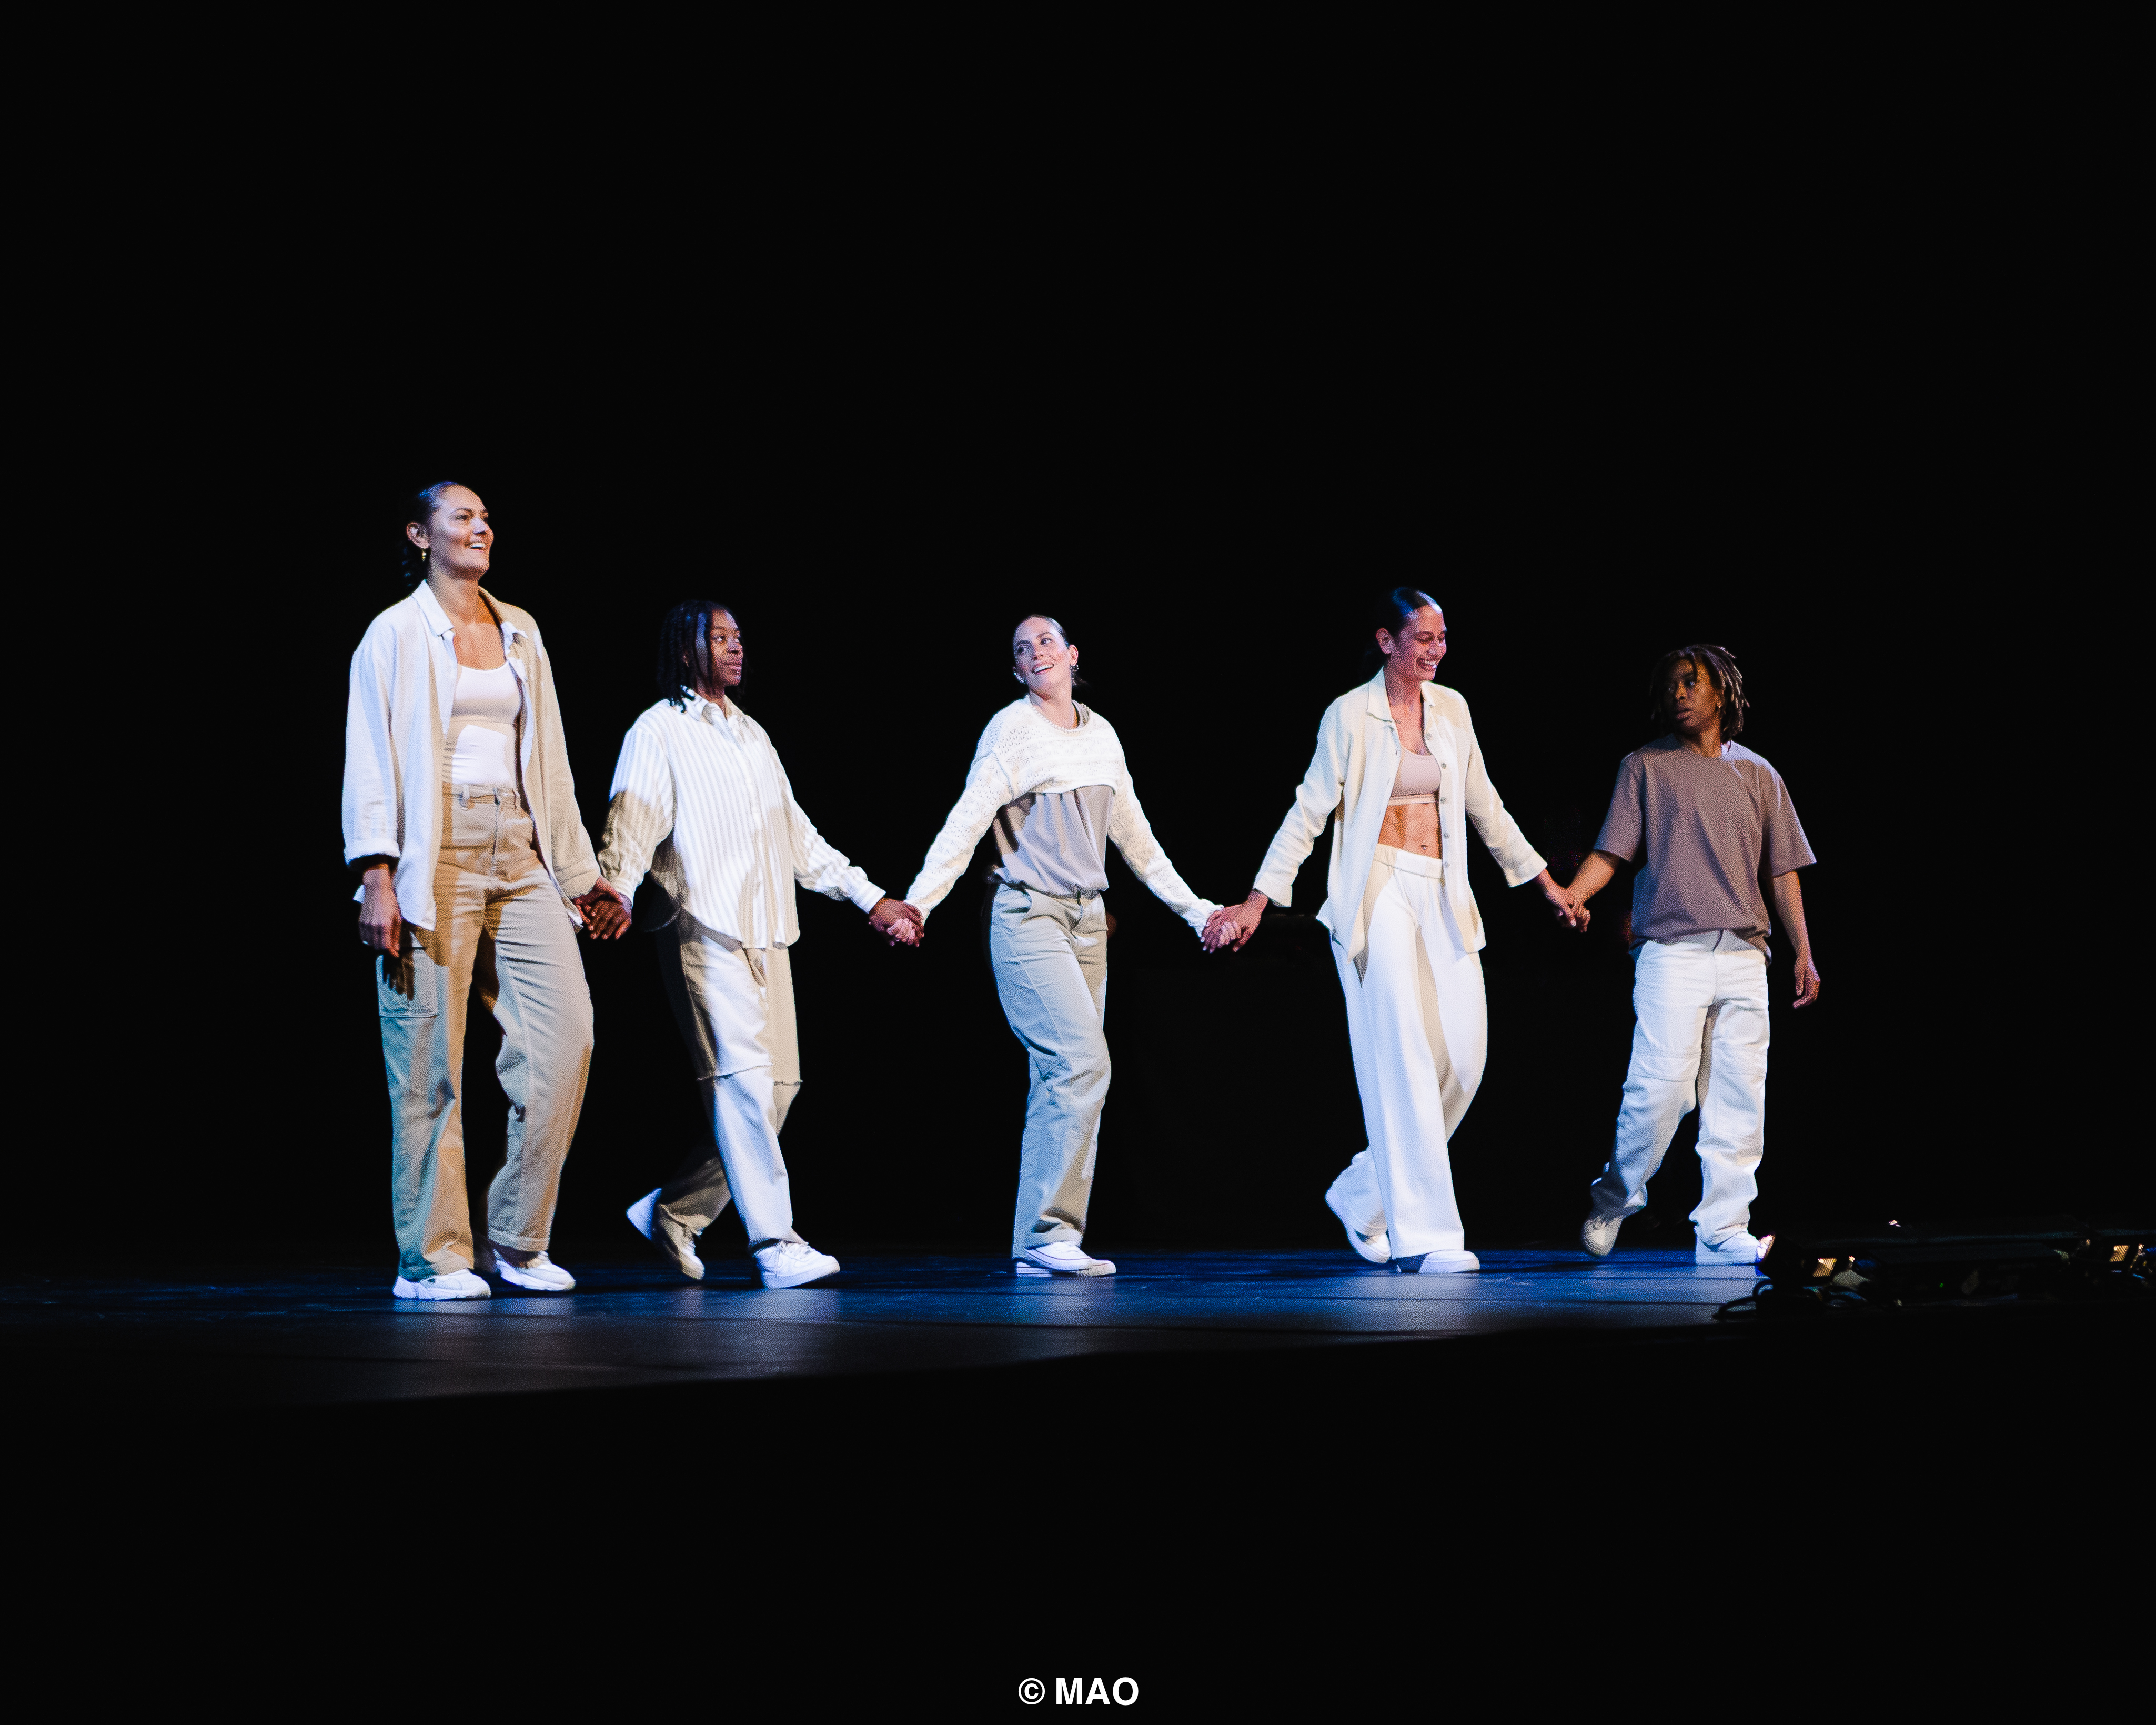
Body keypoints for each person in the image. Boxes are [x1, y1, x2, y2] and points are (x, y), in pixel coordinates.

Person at [1206, 590, 1587, 1273]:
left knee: (1464, 1059)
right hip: (1376, 891)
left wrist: (1547, 885)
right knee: (1405, 1057)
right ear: (1387, 640)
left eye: (1442, 638)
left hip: (1441, 890)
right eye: (1423, 638)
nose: (1436, 649)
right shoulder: (1350, 714)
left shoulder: (1453, 710)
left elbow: (1487, 806)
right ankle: (1428, 1236)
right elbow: (1308, 810)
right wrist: (1258, 902)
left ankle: (1363, 1195)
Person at [579, 600, 922, 1289]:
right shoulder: (658, 729)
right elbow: (631, 822)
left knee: (778, 1086)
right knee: (740, 1080)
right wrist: (615, 889)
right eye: (720, 637)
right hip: (700, 925)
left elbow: (799, 838)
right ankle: (775, 1242)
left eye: (738, 637)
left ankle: (674, 1212)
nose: (736, 647)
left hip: (768, 928)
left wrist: (871, 898)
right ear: (686, 649)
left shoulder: (752, 734)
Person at [344, 481, 627, 1301]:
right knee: (428, 1064)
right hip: (434, 851)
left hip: (520, 847)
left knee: (565, 1040)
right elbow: (369, 754)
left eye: (485, 517)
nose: (481, 527)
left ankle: (516, 1237)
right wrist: (376, 873)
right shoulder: (394, 632)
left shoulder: (520, 629)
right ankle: (431, 1259)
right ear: (420, 533)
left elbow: (551, 762)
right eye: (462, 516)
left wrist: (580, 874)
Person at [901, 616, 1220, 1277]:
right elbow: (966, 820)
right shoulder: (1011, 730)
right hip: (1028, 916)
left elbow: (1137, 839)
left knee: (1066, 1077)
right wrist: (919, 901)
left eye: (1046, 641)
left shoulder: (1102, 735)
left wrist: (1198, 912)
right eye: (1023, 649)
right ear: (1018, 671)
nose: (1036, 652)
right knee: (1081, 1062)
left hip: (1087, 923)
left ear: (1073, 655)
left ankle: (1044, 1240)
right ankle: (1046, 1233)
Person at [1562, 644, 1819, 1266]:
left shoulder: (1759, 773)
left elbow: (1782, 869)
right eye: (1670, 684)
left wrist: (1804, 952)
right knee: (1659, 1090)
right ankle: (1616, 1195)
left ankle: (1724, 1226)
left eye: (1691, 682)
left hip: (1745, 953)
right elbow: (1613, 850)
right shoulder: (1644, 766)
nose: (1678, 693)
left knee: (1739, 1097)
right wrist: (1574, 895)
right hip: (1671, 952)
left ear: (1722, 692)